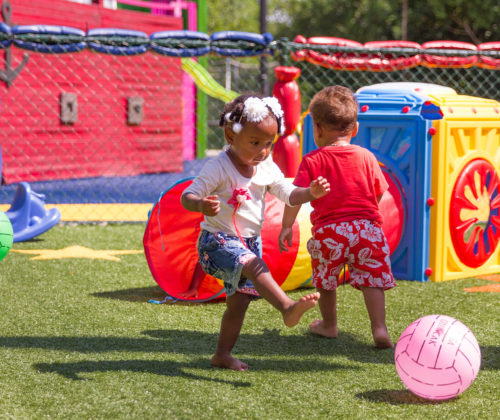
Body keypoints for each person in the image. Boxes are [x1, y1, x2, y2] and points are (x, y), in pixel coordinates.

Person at [181, 93, 331, 371]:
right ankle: (286, 307)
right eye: (254, 142)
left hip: (249, 242)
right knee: (253, 264)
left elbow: (287, 194)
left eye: (268, 143)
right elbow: (187, 197)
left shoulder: (265, 166)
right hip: (216, 243)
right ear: (230, 135)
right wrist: (201, 204)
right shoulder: (218, 167)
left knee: (238, 305)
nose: (262, 150)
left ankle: (222, 354)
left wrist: (310, 192)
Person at [279, 86, 395, 349]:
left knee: (326, 281)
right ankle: (379, 328)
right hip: (367, 230)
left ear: (316, 129)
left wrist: (287, 226)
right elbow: (379, 193)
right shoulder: (366, 156)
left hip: (331, 232)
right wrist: (366, 217)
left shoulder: (312, 160)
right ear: (354, 129)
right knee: (372, 281)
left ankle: (329, 325)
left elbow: (296, 195)